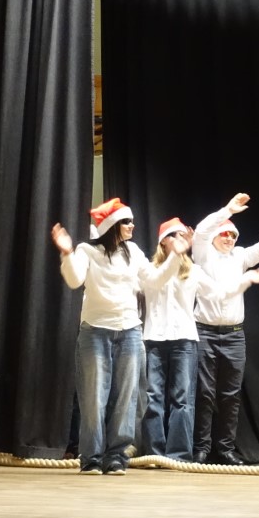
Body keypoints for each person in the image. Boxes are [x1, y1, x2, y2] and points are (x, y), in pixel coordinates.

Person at [52, 198, 185, 475]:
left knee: (126, 398)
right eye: (127, 221)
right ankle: (91, 458)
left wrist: (175, 256)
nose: (133, 226)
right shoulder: (87, 250)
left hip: (129, 332)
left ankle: (115, 457)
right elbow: (75, 280)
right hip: (95, 331)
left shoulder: (133, 252)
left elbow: (154, 281)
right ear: (113, 225)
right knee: (93, 398)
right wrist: (66, 253)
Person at [141, 217, 259, 462]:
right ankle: (154, 453)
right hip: (155, 340)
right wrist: (176, 256)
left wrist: (247, 280)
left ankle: (179, 454)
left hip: (185, 340)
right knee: (154, 397)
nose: (180, 240)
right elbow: (158, 280)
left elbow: (220, 294)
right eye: (174, 236)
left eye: (182, 235)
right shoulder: (149, 269)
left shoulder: (194, 271)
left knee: (182, 399)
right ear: (163, 241)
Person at [191, 194, 259, 465]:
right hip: (205, 332)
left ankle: (225, 449)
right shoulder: (202, 254)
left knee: (231, 395)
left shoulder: (240, 256)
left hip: (234, 335)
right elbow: (201, 231)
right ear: (215, 236)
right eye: (224, 234)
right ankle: (201, 447)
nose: (229, 239)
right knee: (204, 393)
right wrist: (228, 210)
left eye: (233, 235)